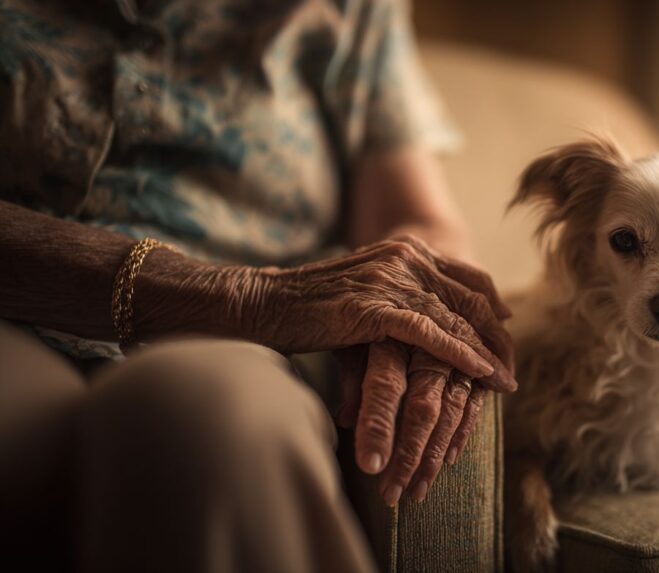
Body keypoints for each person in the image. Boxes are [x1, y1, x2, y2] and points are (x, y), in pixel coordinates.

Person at [0, 0, 515, 571]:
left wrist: (409, 314)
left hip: (236, 343)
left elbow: (417, 216)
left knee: (205, 420)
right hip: (15, 316)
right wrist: (250, 296)